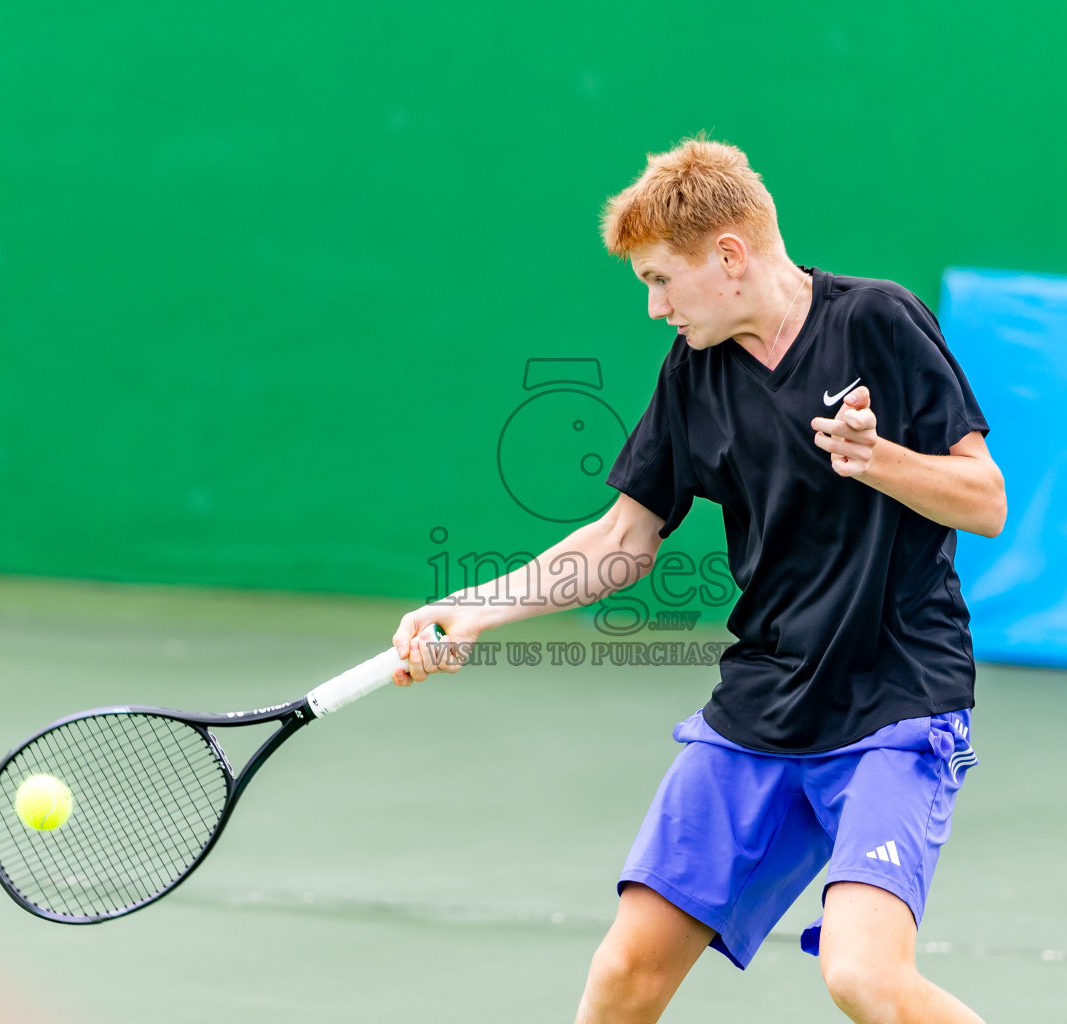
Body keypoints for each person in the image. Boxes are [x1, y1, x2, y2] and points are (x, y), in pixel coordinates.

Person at [390, 137, 1005, 1023]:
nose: (653, 307)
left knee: (862, 974)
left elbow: (985, 501)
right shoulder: (696, 372)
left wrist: (878, 460)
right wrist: (471, 609)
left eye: (660, 280)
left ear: (728, 255)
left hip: (896, 701)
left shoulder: (877, 320)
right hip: (763, 703)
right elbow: (623, 538)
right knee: (624, 973)